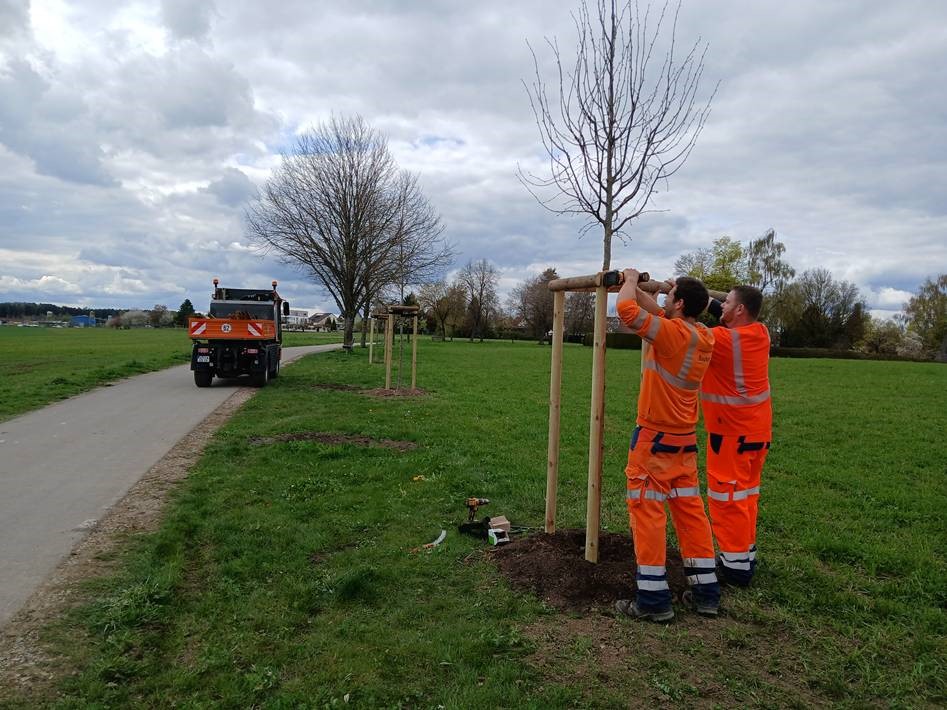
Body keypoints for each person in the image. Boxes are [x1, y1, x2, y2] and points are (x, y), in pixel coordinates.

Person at [614, 269, 720, 622]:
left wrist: (629, 280)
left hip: (653, 440)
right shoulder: (702, 335)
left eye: (671, 294)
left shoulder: (672, 334)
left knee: (648, 514)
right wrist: (651, 291)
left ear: (681, 303)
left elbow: (627, 311)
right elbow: (656, 312)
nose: (666, 298)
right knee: (691, 514)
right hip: (684, 442)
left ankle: (653, 600)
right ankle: (706, 593)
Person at [701, 285, 772, 587]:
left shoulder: (724, 340)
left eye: (727, 302)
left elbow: (683, 328)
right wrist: (696, 292)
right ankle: (745, 554)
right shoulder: (761, 332)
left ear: (740, 309)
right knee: (746, 496)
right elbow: (718, 309)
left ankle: (734, 568)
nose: (721, 305)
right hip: (757, 433)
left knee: (726, 498)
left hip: (730, 434)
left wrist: (680, 297)